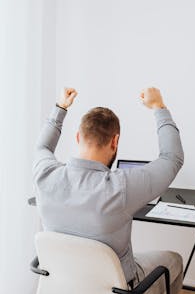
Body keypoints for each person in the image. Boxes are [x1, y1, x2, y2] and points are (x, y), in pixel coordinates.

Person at [33, 87, 184, 294]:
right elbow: (172, 158)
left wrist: (61, 108)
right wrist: (159, 106)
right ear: (115, 141)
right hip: (117, 288)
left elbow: (42, 147)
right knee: (173, 259)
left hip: (62, 285)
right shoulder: (121, 187)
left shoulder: (45, 174)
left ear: (78, 138)